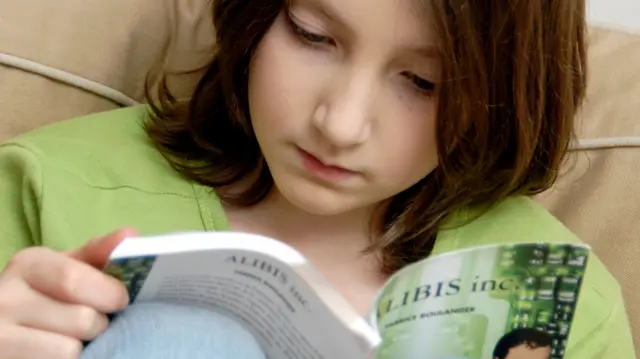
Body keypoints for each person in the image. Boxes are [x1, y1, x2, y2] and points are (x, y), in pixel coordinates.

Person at [0, 0, 634, 358]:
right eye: (313, 36)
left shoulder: (560, 298)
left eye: (423, 82)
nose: (341, 123)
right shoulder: (46, 187)